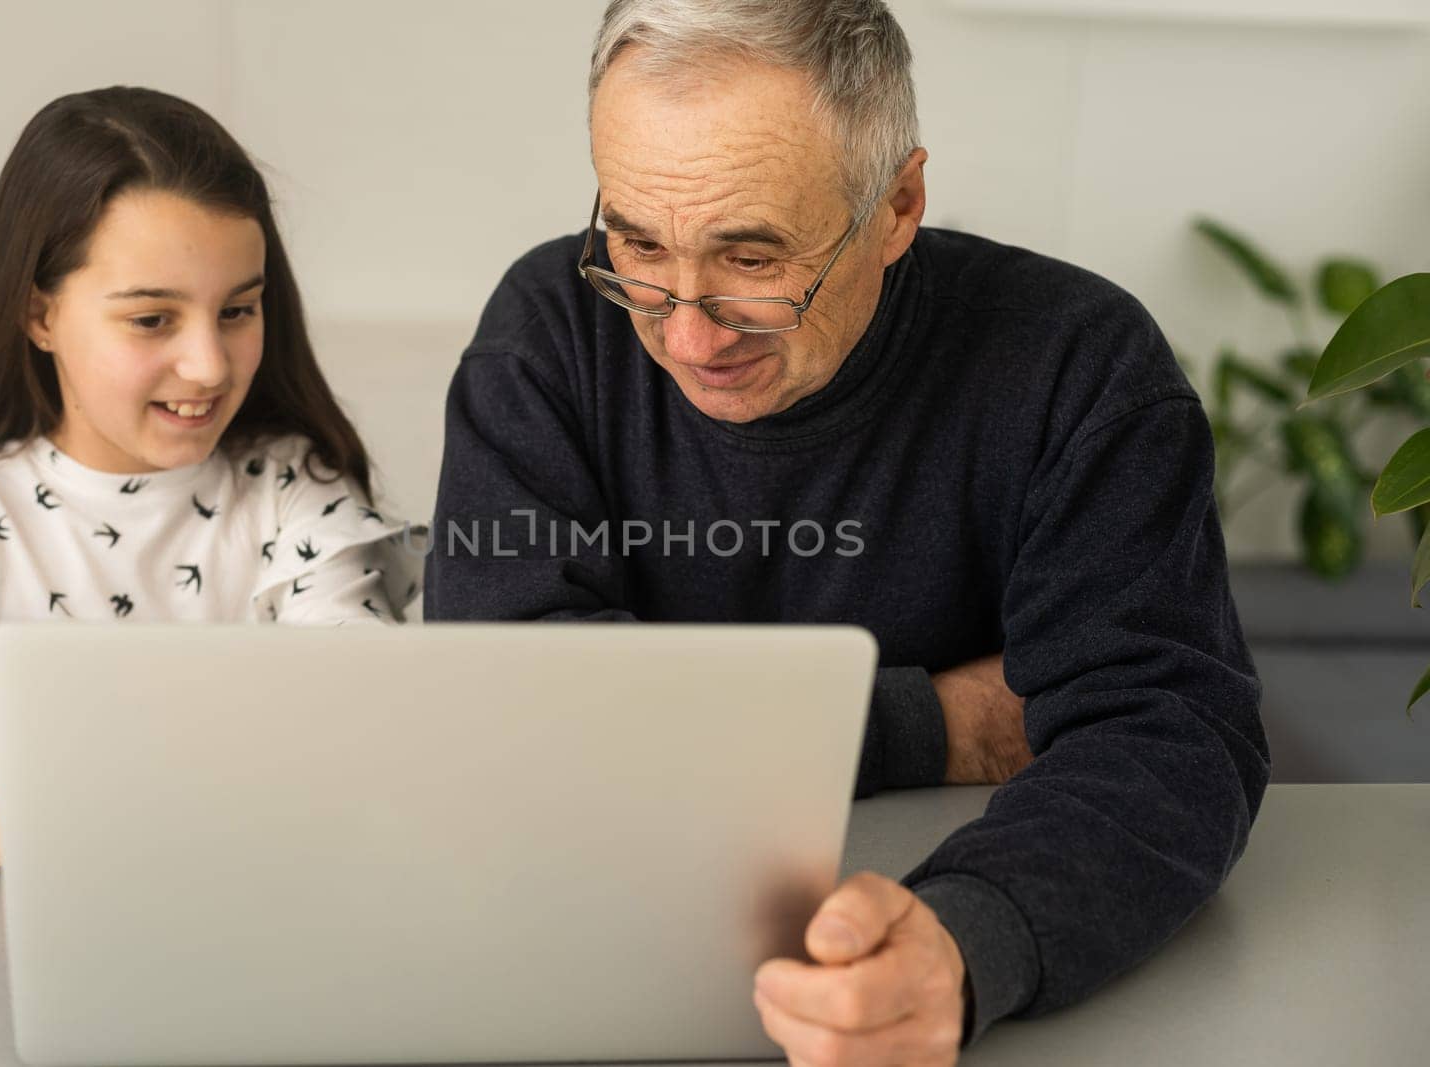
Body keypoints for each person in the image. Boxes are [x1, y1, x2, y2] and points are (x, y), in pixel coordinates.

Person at [425, 0, 1269, 1061]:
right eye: (636, 241)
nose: (684, 332)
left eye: (751, 260)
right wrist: (934, 723)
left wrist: (967, 938)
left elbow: (1170, 737)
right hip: (588, 953)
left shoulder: (1080, 367)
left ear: (898, 203)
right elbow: (509, 700)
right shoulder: (552, 326)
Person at [0, 87, 418, 871]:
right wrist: (13, 820)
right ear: (40, 315)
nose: (209, 366)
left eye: (238, 310)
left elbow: (371, 727)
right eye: (152, 319)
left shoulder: (293, 497)